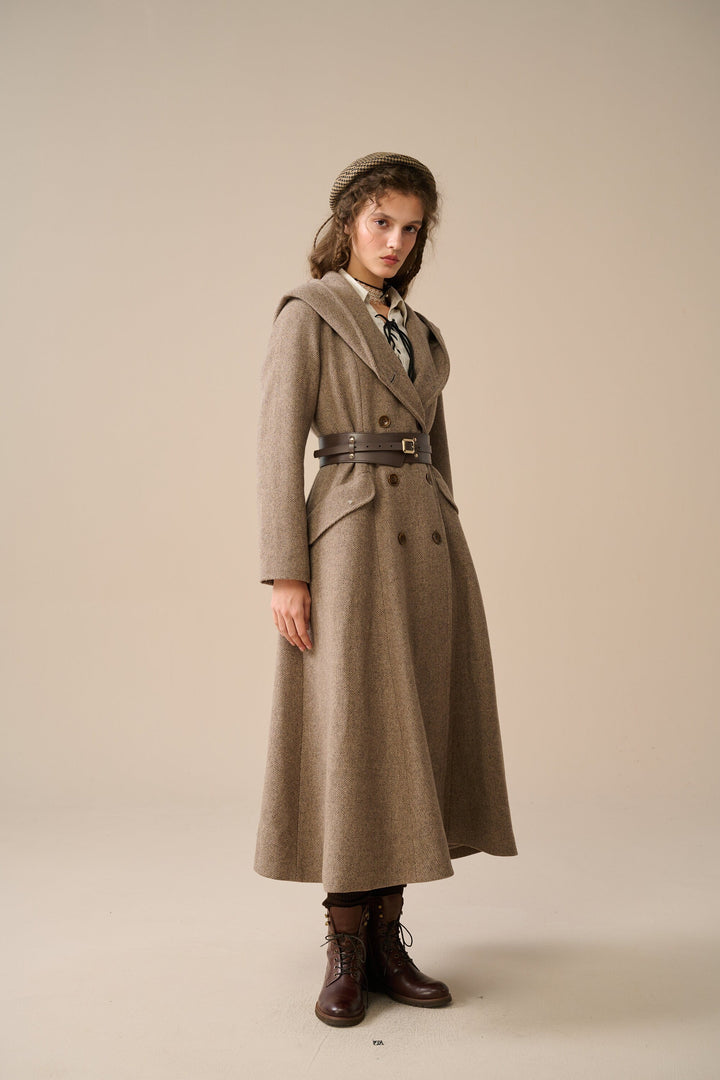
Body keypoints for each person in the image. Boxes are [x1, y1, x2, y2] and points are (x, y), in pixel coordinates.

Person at [255, 151, 517, 1027]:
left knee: (414, 735)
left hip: (426, 546)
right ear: (347, 223)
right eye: (381, 222)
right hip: (351, 543)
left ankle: (387, 940)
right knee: (355, 734)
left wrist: (451, 538)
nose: (396, 241)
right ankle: (344, 948)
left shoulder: (422, 332)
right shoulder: (310, 313)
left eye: (411, 228)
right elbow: (274, 445)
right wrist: (286, 570)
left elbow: (435, 448)